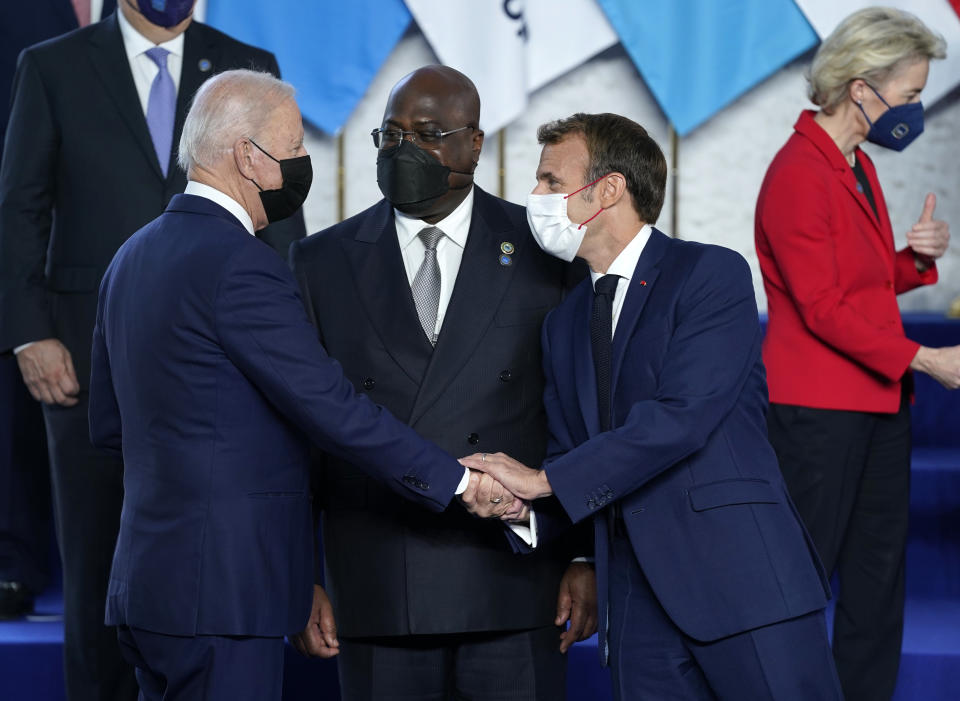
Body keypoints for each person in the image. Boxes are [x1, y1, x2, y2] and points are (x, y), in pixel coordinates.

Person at [87, 68, 495, 701]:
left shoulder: (131, 256)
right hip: (223, 593)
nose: (304, 161)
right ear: (249, 157)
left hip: (146, 587)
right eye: (297, 147)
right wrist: (459, 482)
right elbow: (332, 409)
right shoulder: (241, 264)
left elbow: (109, 426)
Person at [463, 112, 843, 700]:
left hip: (743, 584)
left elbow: (681, 418)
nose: (534, 198)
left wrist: (541, 481)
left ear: (607, 189)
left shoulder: (710, 273)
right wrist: (522, 508)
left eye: (549, 181)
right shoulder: (562, 324)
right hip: (636, 605)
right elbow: (574, 452)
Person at [0, 2, 305, 698]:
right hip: (84, 355)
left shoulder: (246, 65)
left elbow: (281, 213)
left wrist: (294, 332)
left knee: (207, 551)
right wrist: (29, 332)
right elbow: (19, 206)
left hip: (226, 355)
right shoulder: (52, 65)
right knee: (94, 558)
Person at [288, 65, 594, 701]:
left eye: (427, 135)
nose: (405, 152)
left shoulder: (546, 252)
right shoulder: (321, 260)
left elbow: (579, 414)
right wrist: (301, 572)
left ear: (474, 144)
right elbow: (303, 435)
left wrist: (584, 558)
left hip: (516, 578)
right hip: (376, 579)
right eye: (391, 136)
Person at [754, 8, 956, 700]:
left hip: (877, 403)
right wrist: (924, 359)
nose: (915, 111)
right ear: (860, 87)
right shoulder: (796, 175)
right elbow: (823, 309)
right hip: (817, 413)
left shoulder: (856, 164)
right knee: (804, 580)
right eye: (909, 95)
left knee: (877, 581)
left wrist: (914, 260)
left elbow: (859, 286)